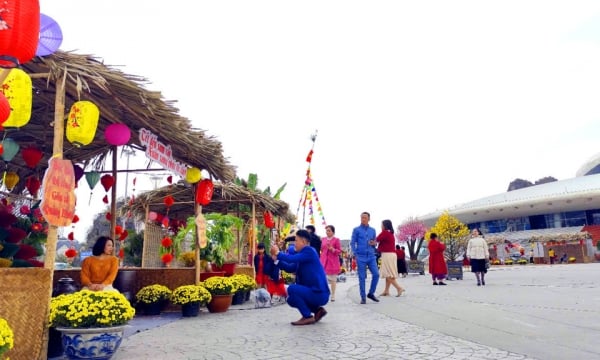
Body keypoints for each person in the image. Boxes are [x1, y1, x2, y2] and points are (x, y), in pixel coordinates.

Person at [270, 229, 329, 325]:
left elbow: (290, 258)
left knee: (292, 289)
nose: (294, 243)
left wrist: (278, 253)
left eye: (296, 241)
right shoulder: (302, 255)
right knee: (291, 299)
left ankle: (307, 316)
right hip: (313, 292)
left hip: (319, 293)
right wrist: (276, 260)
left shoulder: (310, 251)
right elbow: (289, 267)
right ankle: (318, 311)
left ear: (304, 242)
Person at [350, 211, 380, 304]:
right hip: (361, 257)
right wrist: (355, 253)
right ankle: (363, 297)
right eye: (361, 217)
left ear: (369, 219)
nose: (363, 219)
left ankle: (371, 293)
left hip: (371, 256)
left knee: (376, 274)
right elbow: (352, 242)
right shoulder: (356, 230)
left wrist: (374, 243)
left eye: (365, 218)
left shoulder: (373, 230)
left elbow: (375, 243)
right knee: (362, 277)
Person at [376, 220, 405, 297]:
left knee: (387, 273)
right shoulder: (390, 233)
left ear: (385, 226)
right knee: (389, 273)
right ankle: (386, 291)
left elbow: (376, 239)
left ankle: (399, 288)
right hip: (392, 254)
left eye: (381, 225)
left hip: (387, 254)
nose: (381, 226)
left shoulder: (385, 232)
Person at [320, 225, 342, 302]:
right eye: (326, 230)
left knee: (333, 279)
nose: (327, 232)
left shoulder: (336, 240)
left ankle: (333, 295)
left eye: (329, 230)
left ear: (333, 232)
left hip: (332, 262)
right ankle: (325, 293)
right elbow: (321, 249)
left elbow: (339, 251)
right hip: (323, 261)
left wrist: (332, 249)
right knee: (323, 279)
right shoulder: (323, 239)